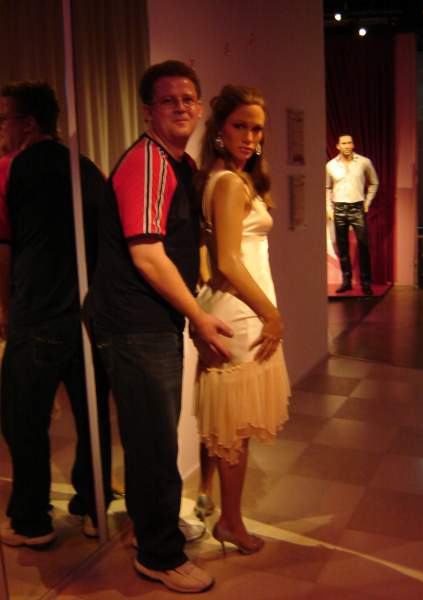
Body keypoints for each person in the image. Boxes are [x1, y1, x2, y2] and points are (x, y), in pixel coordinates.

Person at [87, 60, 232, 594]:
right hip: (134, 324)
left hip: (149, 321)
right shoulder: (147, 161)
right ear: (148, 111)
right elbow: (146, 254)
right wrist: (198, 317)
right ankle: (159, 555)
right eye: (169, 100)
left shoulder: (179, 163)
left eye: (189, 98)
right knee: (152, 444)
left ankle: (156, 529)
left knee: (152, 437)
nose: (181, 107)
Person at [0, 81, 112, 548]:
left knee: (23, 419)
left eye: (4, 120)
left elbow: (4, 246)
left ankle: (31, 520)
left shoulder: (10, 168)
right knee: (92, 417)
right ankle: (93, 506)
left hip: (36, 314)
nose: (2, 130)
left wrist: (5, 308)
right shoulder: (86, 168)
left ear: (27, 124)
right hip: (86, 316)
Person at [193, 85, 290, 554]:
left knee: (227, 422)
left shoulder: (229, 177)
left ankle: (212, 500)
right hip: (241, 314)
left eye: (257, 129)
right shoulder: (229, 182)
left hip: (238, 309)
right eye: (240, 127)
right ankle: (231, 522)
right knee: (235, 428)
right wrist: (272, 313)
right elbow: (230, 261)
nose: (250, 137)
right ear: (220, 130)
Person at [326, 134, 379, 295]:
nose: (347, 145)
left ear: (353, 144)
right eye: (344, 143)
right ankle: (346, 281)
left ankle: (366, 283)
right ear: (338, 146)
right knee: (342, 247)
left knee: (363, 246)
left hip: (357, 207)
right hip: (339, 208)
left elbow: (374, 182)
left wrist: (367, 202)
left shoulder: (364, 162)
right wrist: (329, 208)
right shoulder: (330, 165)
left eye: (350, 142)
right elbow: (326, 187)